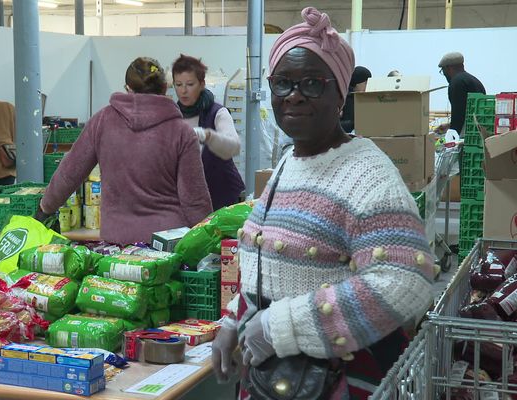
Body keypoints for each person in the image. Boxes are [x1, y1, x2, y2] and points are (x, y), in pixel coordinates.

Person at [211, 7, 435, 400]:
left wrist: (280, 328)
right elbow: (270, 270)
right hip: (280, 380)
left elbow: (405, 282)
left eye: (313, 83)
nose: (294, 96)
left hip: (336, 382)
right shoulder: (289, 161)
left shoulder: (366, 173)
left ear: (340, 93)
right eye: (283, 83)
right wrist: (234, 321)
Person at [36, 57, 212, 244]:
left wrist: (44, 210)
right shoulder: (182, 132)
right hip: (166, 243)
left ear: (128, 88)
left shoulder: (103, 121)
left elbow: (69, 173)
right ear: (164, 88)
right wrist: (209, 239)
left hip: (116, 242)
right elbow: (194, 199)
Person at [171, 55, 245, 210]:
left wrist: (209, 136)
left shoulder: (217, 113)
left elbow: (234, 147)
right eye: (179, 84)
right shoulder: (173, 116)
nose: (183, 90)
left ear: (202, 84)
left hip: (223, 196)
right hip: (191, 200)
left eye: (190, 84)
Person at [438, 52, 485, 134]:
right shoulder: (474, 80)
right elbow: (468, 113)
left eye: (443, 70)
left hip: (467, 135)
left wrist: (452, 134)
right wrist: (449, 125)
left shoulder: (456, 83)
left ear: (448, 68)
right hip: (478, 131)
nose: (444, 74)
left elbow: (458, 114)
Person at [340, 66, 371, 133]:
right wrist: (355, 124)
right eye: (366, 83)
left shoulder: (365, 98)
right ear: (357, 83)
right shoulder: (343, 98)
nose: (368, 86)